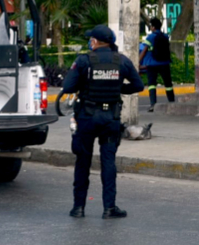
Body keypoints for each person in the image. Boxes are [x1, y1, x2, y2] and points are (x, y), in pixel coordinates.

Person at [61, 24, 144, 219]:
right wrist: (117, 89)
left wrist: (86, 84)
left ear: (95, 42)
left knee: (83, 161)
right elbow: (138, 85)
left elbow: (68, 86)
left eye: (91, 39)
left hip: (87, 118)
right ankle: (109, 208)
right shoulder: (121, 61)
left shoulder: (84, 61)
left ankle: (78, 208)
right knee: (108, 162)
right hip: (110, 119)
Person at [138, 18, 175, 112]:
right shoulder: (165, 36)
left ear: (153, 27)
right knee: (168, 84)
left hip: (152, 64)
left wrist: (138, 61)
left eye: (150, 26)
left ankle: (153, 105)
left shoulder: (150, 37)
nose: (150, 27)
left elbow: (145, 50)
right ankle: (172, 103)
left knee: (151, 84)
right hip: (165, 63)